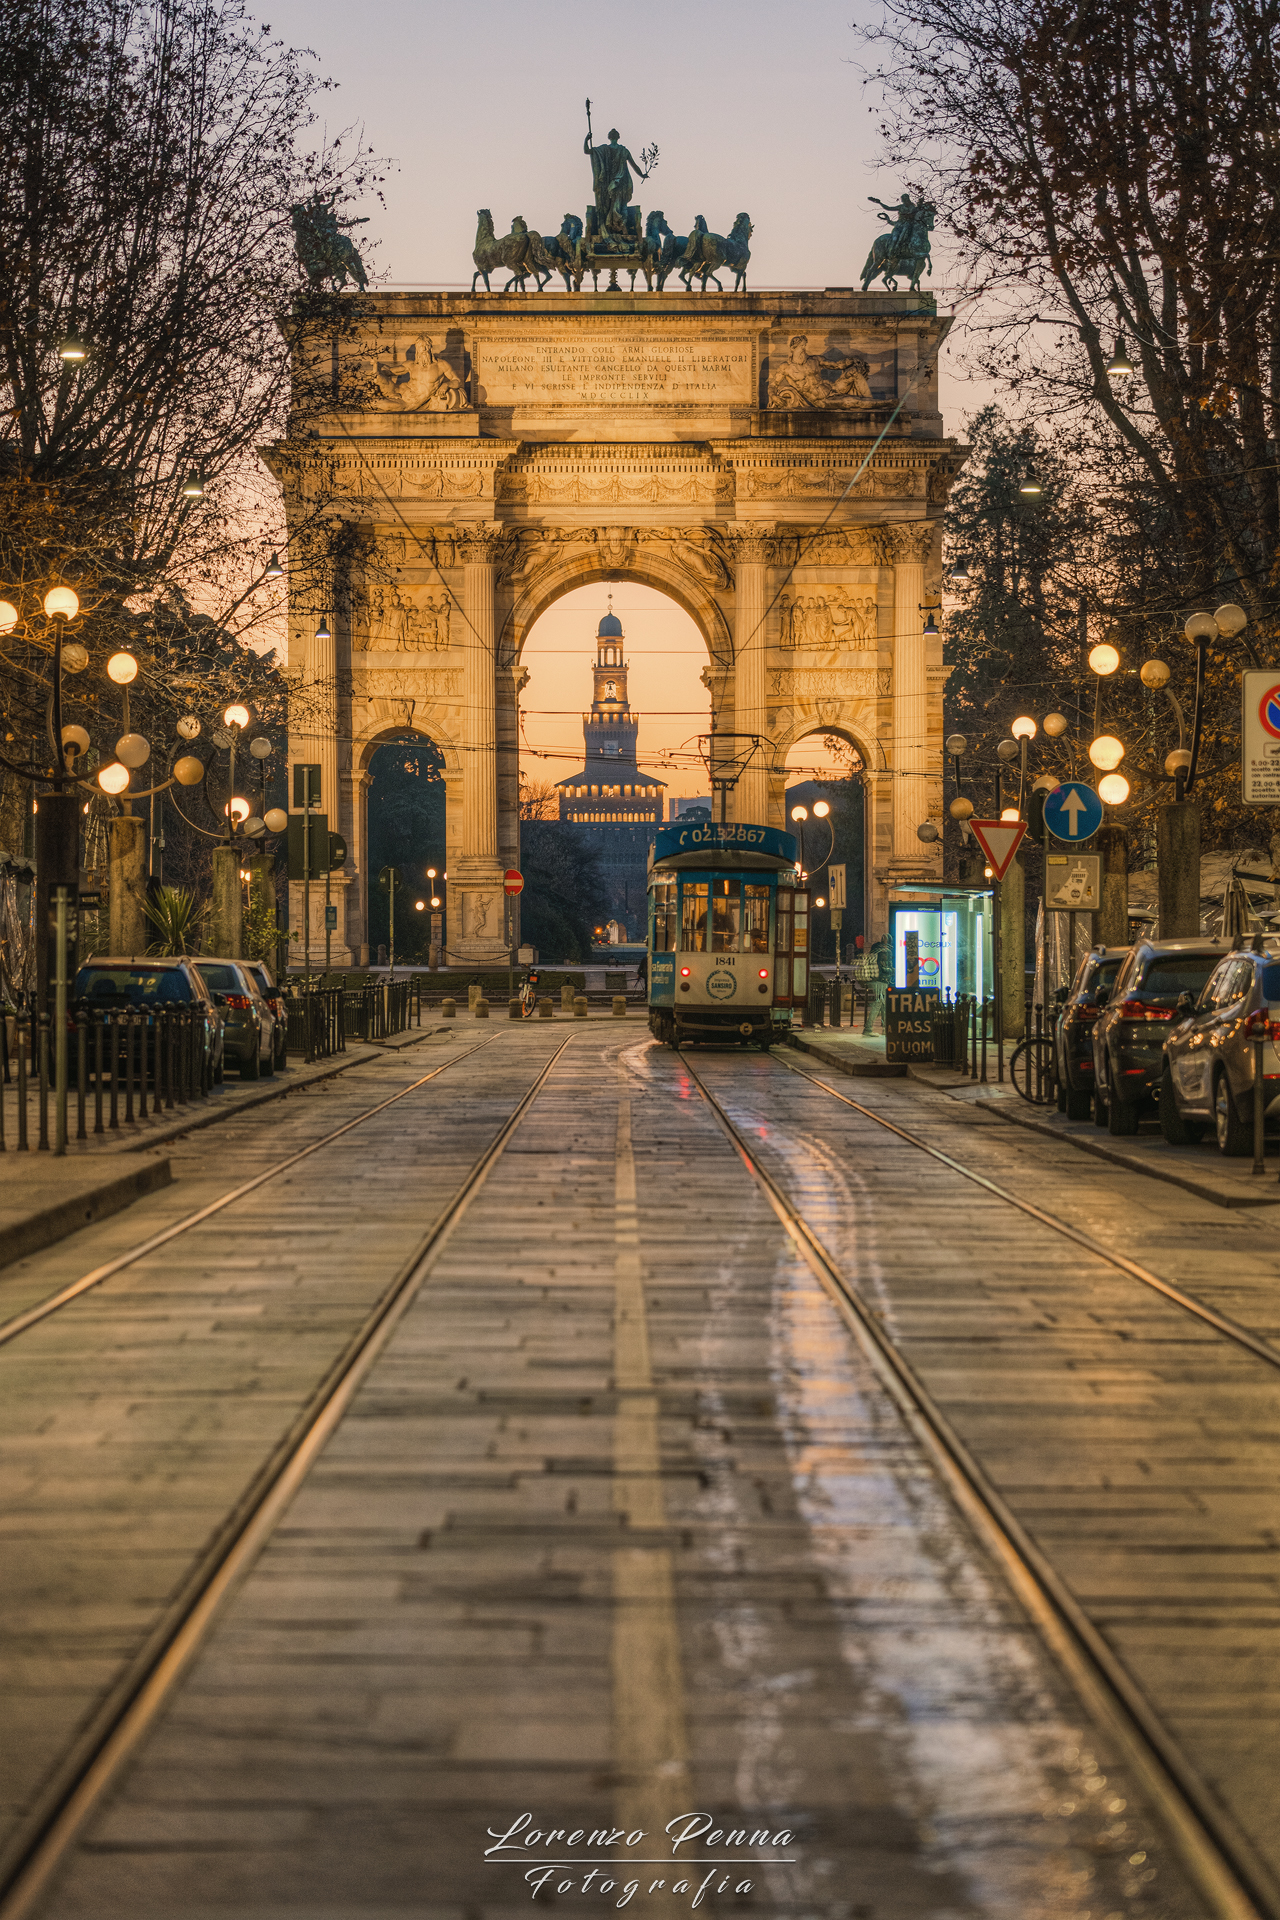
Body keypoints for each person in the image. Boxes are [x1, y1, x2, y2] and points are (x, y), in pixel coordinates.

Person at [584, 128, 650, 238]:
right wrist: (642, 174)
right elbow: (634, 166)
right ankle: (617, 227)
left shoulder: (605, 149)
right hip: (616, 182)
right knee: (618, 206)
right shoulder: (621, 150)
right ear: (618, 137)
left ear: (609, 137)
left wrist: (586, 139)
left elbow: (587, 150)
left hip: (616, 182)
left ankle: (617, 227)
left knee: (615, 206)